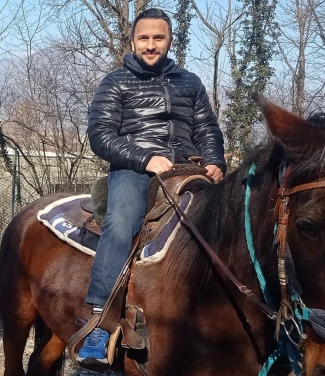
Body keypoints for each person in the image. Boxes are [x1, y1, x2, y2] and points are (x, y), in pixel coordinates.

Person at [77, 8, 226, 367]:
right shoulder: (115, 82)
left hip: (188, 168)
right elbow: (100, 135)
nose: (151, 44)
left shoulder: (190, 82)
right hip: (135, 169)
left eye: (158, 37)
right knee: (121, 223)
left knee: (230, 222)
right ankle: (100, 323)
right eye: (144, 38)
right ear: (133, 41)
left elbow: (207, 128)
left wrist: (215, 160)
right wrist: (143, 158)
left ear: (169, 40)